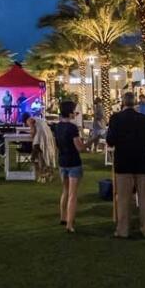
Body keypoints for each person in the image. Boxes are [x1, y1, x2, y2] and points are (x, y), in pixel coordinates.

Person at [106, 92, 145, 239]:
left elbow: (110, 140)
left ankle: (123, 229)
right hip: (142, 161)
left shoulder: (116, 119)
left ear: (123, 102)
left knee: (123, 198)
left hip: (123, 161)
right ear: (135, 103)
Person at [54, 100, 85, 233]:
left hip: (62, 161)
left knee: (65, 191)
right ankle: (70, 224)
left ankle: (63, 217)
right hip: (73, 162)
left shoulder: (57, 127)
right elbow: (79, 147)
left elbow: (57, 145)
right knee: (73, 194)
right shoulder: (72, 128)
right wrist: (88, 144)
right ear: (70, 112)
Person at [28, 111, 57, 182]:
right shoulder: (40, 120)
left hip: (40, 139)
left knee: (35, 158)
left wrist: (31, 136)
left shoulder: (29, 120)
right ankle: (48, 174)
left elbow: (33, 131)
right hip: (48, 137)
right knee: (46, 156)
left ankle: (42, 174)